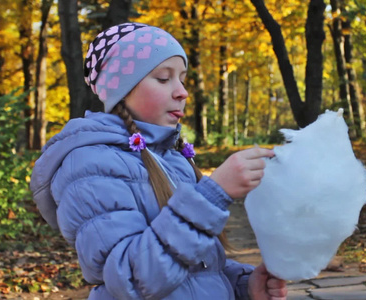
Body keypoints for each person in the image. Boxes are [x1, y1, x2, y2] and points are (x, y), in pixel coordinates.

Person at [30, 22, 287, 300]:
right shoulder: (90, 166)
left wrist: (243, 285)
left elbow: (192, 269)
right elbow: (132, 279)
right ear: (122, 90)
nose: (182, 92)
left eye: (182, 79)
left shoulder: (171, 157)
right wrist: (212, 195)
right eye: (164, 79)